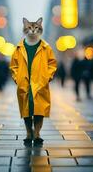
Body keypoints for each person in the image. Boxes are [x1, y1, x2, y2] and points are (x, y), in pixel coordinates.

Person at [10, 17, 57, 146]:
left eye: (36, 28)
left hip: (40, 84)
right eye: (29, 28)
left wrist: (47, 77)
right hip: (24, 83)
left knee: (39, 110)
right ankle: (28, 133)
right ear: (25, 29)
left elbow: (52, 64)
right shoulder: (19, 48)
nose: (32, 31)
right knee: (26, 110)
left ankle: (37, 133)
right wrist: (17, 78)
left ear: (40, 29)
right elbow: (13, 66)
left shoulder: (46, 48)